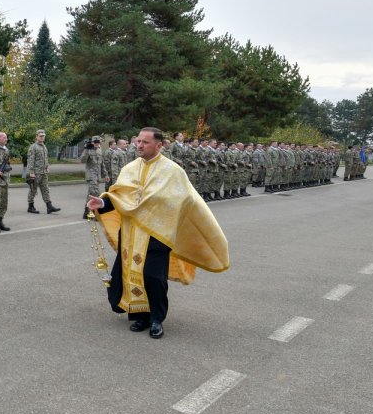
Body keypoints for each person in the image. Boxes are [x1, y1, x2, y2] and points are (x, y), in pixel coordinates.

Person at [86, 127, 229, 339]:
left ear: (158, 145)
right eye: (138, 141)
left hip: (156, 236)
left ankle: (156, 319)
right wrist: (103, 202)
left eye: (145, 142)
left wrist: (162, 209)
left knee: (153, 278)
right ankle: (140, 316)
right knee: (131, 275)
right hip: (131, 235)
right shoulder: (130, 168)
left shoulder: (173, 171)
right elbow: (121, 196)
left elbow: (186, 200)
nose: (139, 145)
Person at [24, 129, 60, 214]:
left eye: (43, 136)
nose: (42, 137)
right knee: (33, 190)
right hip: (36, 173)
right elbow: (30, 160)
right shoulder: (33, 147)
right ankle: (30, 206)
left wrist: (47, 167)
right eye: (40, 136)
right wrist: (31, 172)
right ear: (36, 136)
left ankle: (49, 206)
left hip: (43, 172)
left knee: (45, 189)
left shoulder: (44, 146)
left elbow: (45, 159)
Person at [81, 135, 104, 218]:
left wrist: (105, 174)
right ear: (92, 142)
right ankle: (93, 212)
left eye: (98, 142)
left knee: (91, 194)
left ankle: (86, 212)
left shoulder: (99, 151)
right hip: (91, 175)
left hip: (97, 176)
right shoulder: (88, 150)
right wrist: (86, 149)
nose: (97, 143)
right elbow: (82, 160)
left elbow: (102, 164)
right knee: (95, 193)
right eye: (95, 142)